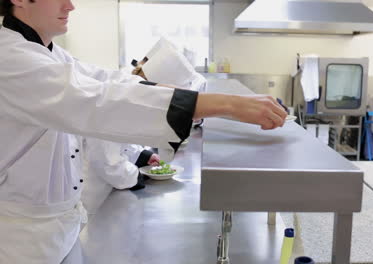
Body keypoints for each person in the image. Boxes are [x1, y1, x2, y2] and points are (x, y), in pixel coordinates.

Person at [0, 0, 287, 262]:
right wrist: (228, 105)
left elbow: (114, 83)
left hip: (62, 227)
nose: (71, 5)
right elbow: (98, 101)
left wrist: (217, 102)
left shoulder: (54, 55)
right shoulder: (10, 59)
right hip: (22, 239)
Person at [80, 137, 159, 219]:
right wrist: (136, 176)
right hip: (95, 195)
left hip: (108, 192)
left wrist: (143, 155)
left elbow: (119, 136)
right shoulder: (102, 126)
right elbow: (109, 164)